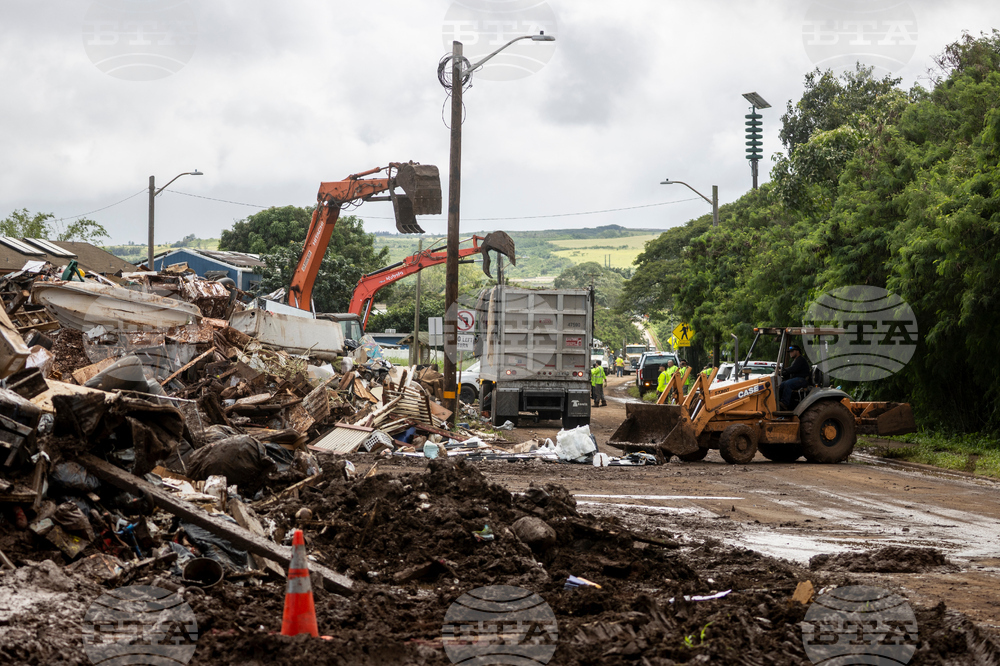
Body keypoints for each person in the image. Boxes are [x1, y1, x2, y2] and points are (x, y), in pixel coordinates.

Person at [779, 345, 811, 409]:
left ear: (797, 351)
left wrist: (784, 370)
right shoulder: (795, 361)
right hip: (797, 379)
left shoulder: (800, 360)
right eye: (790, 352)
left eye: (792, 351)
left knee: (788, 384)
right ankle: (778, 401)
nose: (791, 353)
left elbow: (793, 369)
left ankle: (785, 403)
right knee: (781, 385)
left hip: (802, 380)